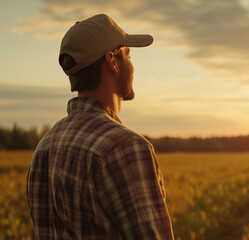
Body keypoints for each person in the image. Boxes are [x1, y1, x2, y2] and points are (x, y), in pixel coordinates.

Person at [26, 14, 174, 239]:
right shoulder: (126, 147)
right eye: (128, 55)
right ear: (112, 61)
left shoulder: (45, 146)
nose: (132, 66)